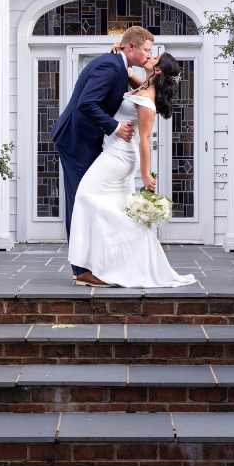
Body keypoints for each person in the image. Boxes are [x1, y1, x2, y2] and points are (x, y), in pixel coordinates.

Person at [67, 51, 196, 288]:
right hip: (114, 153)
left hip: (118, 156)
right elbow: (127, 73)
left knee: (85, 196)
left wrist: (146, 174)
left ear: (157, 70)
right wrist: (119, 54)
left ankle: (88, 269)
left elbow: (145, 139)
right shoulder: (144, 85)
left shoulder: (147, 99)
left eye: (154, 58)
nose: (150, 56)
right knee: (115, 207)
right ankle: (101, 266)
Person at [51, 26, 154, 285]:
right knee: (81, 199)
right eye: (146, 50)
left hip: (90, 142)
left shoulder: (118, 66)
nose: (148, 55)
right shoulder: (110, 67)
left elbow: (148, 90)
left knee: (91, 199)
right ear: (131, 47)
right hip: (77, 141)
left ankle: (97, 259)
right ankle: (81, 270)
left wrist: (134, 71)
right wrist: (115, 126)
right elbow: (86, 103)